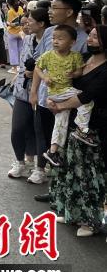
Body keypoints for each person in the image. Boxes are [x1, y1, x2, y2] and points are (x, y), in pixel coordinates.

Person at [47, 24, 107, 237]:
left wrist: (61, 105)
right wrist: (54, 99)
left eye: (95, 37)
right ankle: (71, 212)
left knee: (88, 175)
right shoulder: (84, 59)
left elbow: (86, 96)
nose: (90, 39)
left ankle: (90, 222)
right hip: (73, 122)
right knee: (70, 170)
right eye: (90, 36)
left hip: (94, 128)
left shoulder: (105, 69)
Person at [31, 0, 89, 203]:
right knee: (47, 139)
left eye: (54, 8)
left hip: (67, 103)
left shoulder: (84, 40)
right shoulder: (49, 32)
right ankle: (53, 186)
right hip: (45, 97)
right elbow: (39, 64)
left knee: (63, 143)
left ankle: (61, 191)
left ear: (70, 11)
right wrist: (34, 92)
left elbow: (83, 74)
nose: (50, 11)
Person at [8, 8, 50, 183]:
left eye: (29, 22)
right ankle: (20, 162)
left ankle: (40, 169)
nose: (26, 25)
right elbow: (23, 64)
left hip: (43, 92)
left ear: (41, 24)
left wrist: (36, 73)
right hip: (22, 90)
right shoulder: (27, 39)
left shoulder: (51, 41)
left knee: (40, 132)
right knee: (17, 128)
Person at [38, 25, 90, 168]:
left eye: (60, 39)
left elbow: (79, 71)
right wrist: (44, 77)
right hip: (57, 93)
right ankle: (82, 128)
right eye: (54, 38)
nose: (55, 41)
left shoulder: (75, 56)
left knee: (61, 121)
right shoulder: (48, 55)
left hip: (65, 93)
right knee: (85, 99)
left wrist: (74, 74)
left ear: (72, 42)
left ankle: (53, 150)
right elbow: (37, 68)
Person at [5, 0, 24, 71]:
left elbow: (11, 24)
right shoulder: (20, 8)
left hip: (12, 32)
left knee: (13, 49)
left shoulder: (10, 11)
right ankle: (21, 66)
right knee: (21, 49)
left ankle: (14, 67)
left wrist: (7, 23)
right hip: (20, 31)